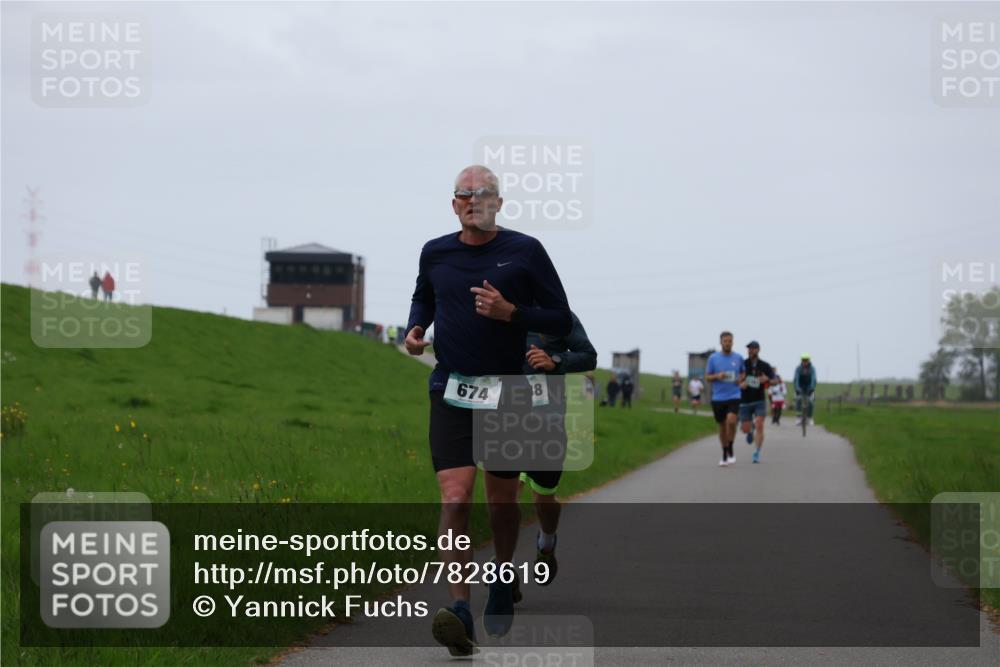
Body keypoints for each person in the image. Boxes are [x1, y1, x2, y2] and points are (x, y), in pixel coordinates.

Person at [405, 165, 572, 656]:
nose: (473, 200)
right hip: (452, 388)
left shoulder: (525, 251)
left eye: (483, 194)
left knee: (501, 503)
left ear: (498, 203)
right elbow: (424, 297)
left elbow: (560, 318)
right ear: (453, 203)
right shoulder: (435, 251)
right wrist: (415, 328)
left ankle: (501, 574)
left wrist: (512, 313)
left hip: (508, 391)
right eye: (464, 194)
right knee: (456, 498)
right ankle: (459, 610)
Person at [516, 311, 597, 592]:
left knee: (543, 500)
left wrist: (555, 361)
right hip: (505, 417)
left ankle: (547, 542)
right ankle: (504, 572)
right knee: (504, 497)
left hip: (547, 419)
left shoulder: (558, 313)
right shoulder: (494, 307)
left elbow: (588, 356)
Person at [705, 331, 743, 466]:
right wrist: (717, 376)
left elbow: (743, 372)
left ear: (733, 342)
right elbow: (707, 377)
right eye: (725, 341)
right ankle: (725, 452)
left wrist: (740, 379)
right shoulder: (713, 358)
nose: (727, 343)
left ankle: (730, 446)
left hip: (734, 395)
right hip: (718, 397)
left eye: (730, 341)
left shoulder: (738, 357)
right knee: (722, 426)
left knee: (731, 421)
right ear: (721, 342)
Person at [738, 341, 776, 464]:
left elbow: (775, 381)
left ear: (758, 350)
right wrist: (741, 384)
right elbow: (736, 379)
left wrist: (767, 379)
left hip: (759, 400)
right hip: (745, 401)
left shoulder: (765, 365)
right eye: (749, 349)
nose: (750, 351)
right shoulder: (743, 364)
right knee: (745, 429)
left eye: (753, 348)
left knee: (760, 424)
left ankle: (757, 452)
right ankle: (750, 430)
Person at [794, 354, 818, 426]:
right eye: (803, 360)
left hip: (809, 387)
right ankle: (798, 417)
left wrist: (812, 388)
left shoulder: (812, 368)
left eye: (806, 360)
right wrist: (797, 389)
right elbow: (796, 379)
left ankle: (810, 417)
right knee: (798, 399)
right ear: (801, 361)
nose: (805, 362)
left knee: (810, 401)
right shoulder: (798, 368)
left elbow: (813, 379)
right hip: (800, 386)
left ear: (809, 361)